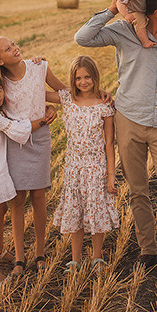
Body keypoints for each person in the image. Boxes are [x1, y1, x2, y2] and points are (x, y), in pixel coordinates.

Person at [74, 0, 157, 269]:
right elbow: (83, 38)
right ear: (156, 12)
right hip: (128, 120)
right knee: (138, 190)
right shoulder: (125, 31)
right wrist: (113, 9)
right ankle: (147, 249)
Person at [0, 36, 65, 276]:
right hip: (15, 142)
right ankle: (19, 257)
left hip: (39, 139)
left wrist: (90, 95)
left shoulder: (39, 67)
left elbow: (61, 91)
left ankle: (40, 252)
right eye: (8, 49)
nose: (15, 49)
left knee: (38, 197)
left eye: (14, 44)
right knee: (17, 201)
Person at [0, 67, 56, 280]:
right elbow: (16, 130)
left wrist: (45, 105)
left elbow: (23, 102)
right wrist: (43, 120)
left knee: (0, 211)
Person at [52, 55, 120, 274]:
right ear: (73, 79)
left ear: (95, 77)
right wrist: (39, 65)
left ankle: (97, 258)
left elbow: (109, 142)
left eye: (87, 77)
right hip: (74, 168)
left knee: (96, 211)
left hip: (96, 167)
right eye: (78, 77)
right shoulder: (67, 100)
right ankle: (75, 260)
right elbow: (34, 92)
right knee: (77, 212)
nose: (83, 82)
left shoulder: (104, 105)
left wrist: (111, 175)